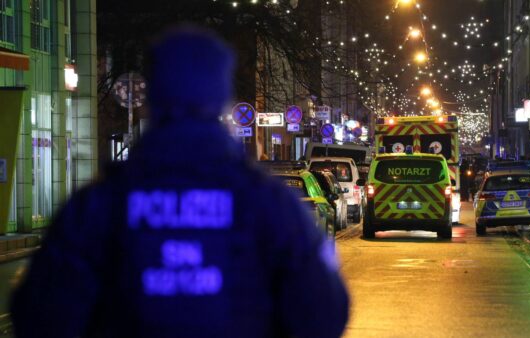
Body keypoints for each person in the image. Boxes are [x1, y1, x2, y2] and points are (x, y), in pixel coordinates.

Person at [11, 25, 349, 338]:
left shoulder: (99, 204)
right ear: (221, 95)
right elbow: (325, 313)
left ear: (154, 94)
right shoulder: (269, 203)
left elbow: (39, 314)